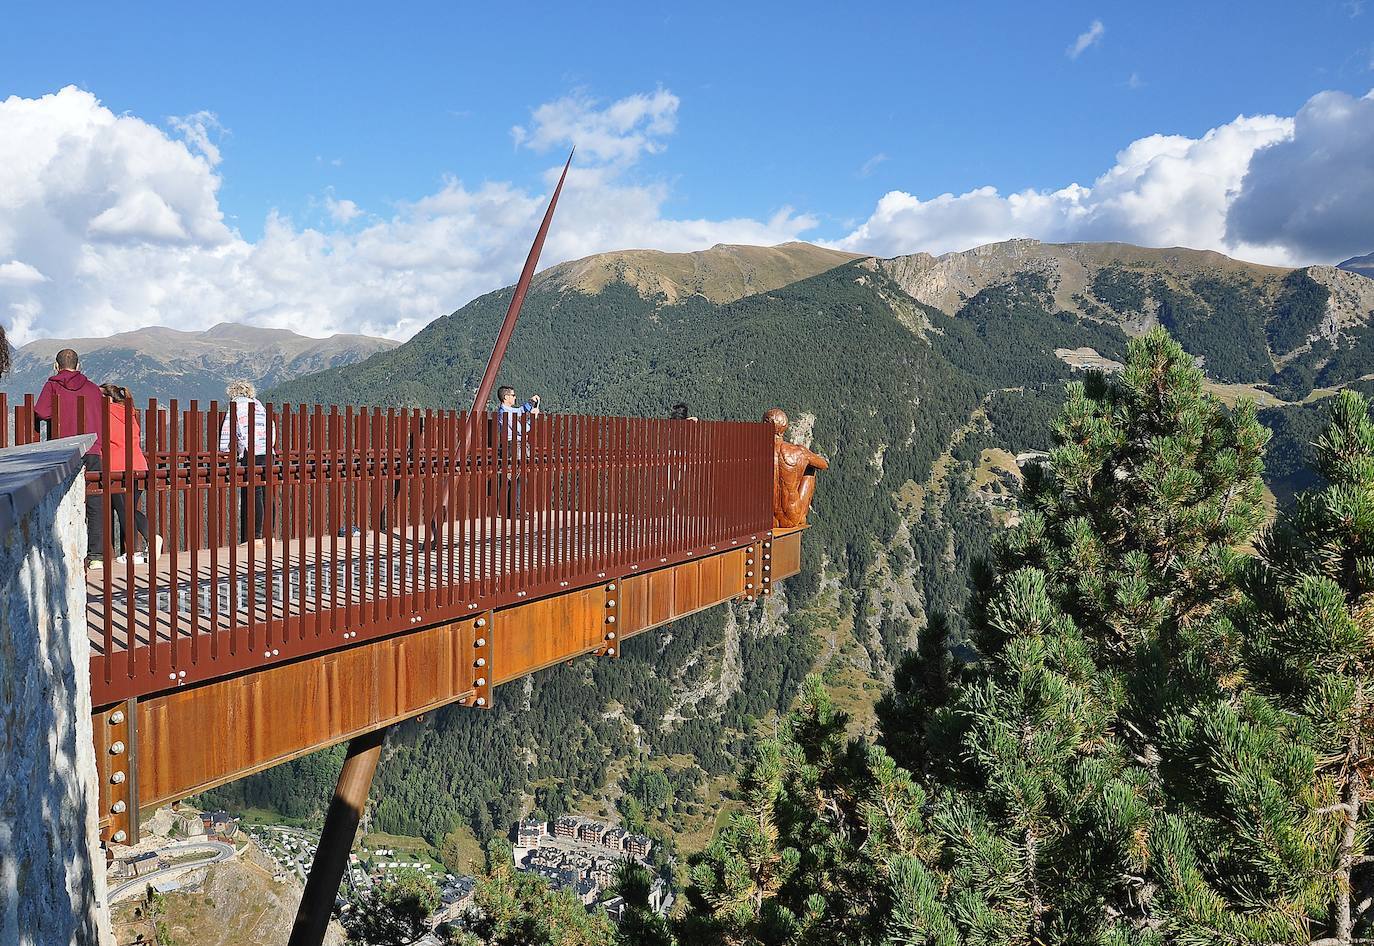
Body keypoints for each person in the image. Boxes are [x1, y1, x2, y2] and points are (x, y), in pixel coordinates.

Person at [34, 349, 105, 564]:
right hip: (92, 448)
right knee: (94, 501)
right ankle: (97, 555)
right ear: (79, 364)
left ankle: (64, 550)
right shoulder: (93, 389)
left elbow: (42, 412)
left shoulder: (53, 385)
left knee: (61, 498)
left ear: (56, 365)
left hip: (65, 449)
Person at [100, 384, 160, 565]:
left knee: (124, 510)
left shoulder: (105, 414)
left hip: (118, 467)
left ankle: (136, 550)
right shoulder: (129, 413)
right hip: (139, 465)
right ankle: (144, 544)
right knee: (129, 509)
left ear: (107, 399)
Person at [218, 379, 273, 545]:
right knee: (266, 492)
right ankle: (268, 536)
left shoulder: (235, 405)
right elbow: (272, 425)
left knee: (253, 492)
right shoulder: (259, 405)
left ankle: (254, 537)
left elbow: (229, 429)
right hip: (267, 451)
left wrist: (224, 451)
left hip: (251, 451)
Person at [496, 385, 539, 519]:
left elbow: (520, 410)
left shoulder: (506, 410)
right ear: (506, 397)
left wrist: (531, 402)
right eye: (513, 395)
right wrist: (532, 420)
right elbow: (521, 429)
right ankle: (516, 510)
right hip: (514, 445)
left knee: (516, 477)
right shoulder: (506, 412)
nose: (515, 397)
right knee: (518, 478)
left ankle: (511, 509)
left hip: (514, 445)